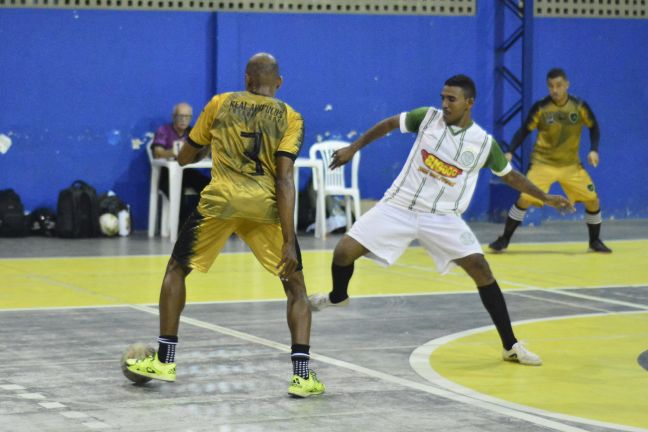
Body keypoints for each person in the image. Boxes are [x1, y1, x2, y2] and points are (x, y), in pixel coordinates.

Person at [309, 75, 575, 366]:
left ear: (469, 103)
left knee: (481, 269)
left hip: (442, 217)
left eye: (452, 99)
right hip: (399, 205)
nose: (445, 104)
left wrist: (545, 197)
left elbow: (510, 176)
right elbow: (388, 124)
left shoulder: (484, 144)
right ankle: (337, 296)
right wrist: (353, 148)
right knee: (343, 252)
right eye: (443, 98)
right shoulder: (426, 118)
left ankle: (510, 345)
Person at [126, 53, 325, 397]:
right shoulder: (292, 117)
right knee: (296, 290)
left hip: (221, 203)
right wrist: (290, 240)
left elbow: (185, 158)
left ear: (247, 79)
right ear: (278, 82)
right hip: (265, 208)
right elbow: (284, 180)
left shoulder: (220, 104)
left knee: (176, 269)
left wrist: (208, 148)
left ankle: (165, 360)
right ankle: (302, 377)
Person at [489, 68, 611, 253]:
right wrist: (510, 151)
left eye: (559, 86)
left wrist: (594, 150)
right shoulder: (541, 108)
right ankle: (504, 240)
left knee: (593, 200)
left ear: (567, 85)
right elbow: (524, 131)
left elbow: (594, 127)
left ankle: (595, 241)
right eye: (551, 86)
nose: (555, 90)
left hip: (571, 166)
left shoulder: (579, 106)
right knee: (524, 198)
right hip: (542, 163)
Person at [150, 102, 211, 212]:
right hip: (166, 174)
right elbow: (158, 153)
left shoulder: (193, 132)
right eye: (180, 116)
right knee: (179, 198)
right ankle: (181, 228)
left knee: (211, 189)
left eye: (187, 116)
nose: (184, 120)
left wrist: (206, 147)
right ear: (174, 117)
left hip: (186, 172)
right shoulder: (164, 130)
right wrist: (175, 152)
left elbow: (201, 152)